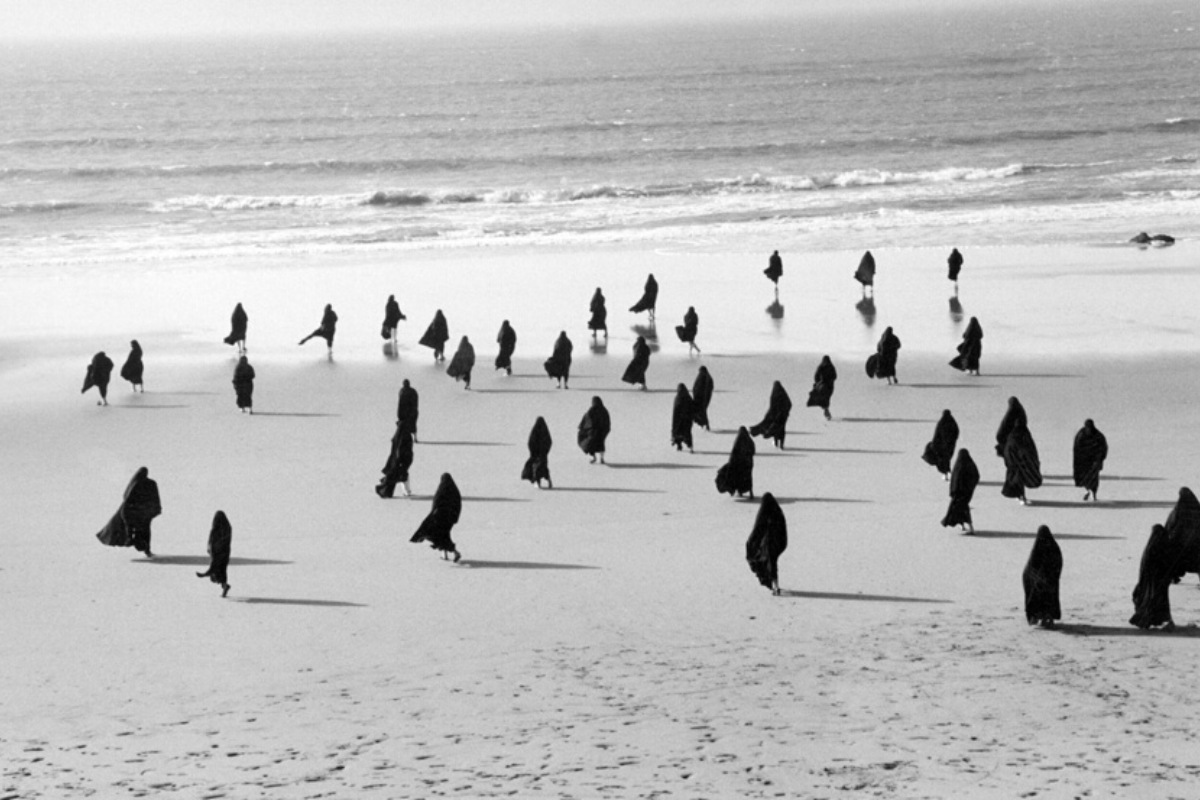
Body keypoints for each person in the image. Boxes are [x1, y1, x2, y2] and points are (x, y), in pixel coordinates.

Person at [96, 466, 161, 557]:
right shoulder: (151, 483)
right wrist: (155, 509)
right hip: (145, 513)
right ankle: (146, 549)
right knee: (145, 531)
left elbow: (126, 497)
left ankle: (133, 541)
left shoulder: (134, 484)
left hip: (133, 512)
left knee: (132, 529)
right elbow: (155, 498)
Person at [1130, 524, 1176, 630]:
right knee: (1158, 601)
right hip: (1157, 582)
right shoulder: (1160, 547)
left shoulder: (1150, 548)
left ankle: (1152, 620)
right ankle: (1160, 620)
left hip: (1150, 582)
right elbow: (1163, 563)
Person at [410, 473, 462, 562]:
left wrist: (433, 514)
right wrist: (454, 518)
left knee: (436, 535)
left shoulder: (441, 490)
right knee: (444, 535)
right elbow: (458, 505)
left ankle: (453, 552)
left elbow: (436, 503)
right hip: (449, 519)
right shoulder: (455, 492)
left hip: (439, 518)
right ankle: (446, 554)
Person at [746, 492, 787, 596]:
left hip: (770, 543)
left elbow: (758, 527)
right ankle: (776, 586)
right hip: (779, 544)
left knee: (770, 563)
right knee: (773, 563)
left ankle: (775, 587)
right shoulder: (778, 512)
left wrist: (752, 542)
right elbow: (783, 529)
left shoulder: (764, 512)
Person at [1022, 525, 1062, 628]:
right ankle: (1047, 618)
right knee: (1049, 598)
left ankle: (1041, 617)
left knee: (1040, 596)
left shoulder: (1038, 546)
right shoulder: (1054, 547)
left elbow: (1030, 567)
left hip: (1046, 579)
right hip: (1049, 580)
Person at [1001, 417, 1042, 505]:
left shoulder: (1012, 436)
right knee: (1019, 482)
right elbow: (1030, 448)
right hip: (1021, 464)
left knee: (1017, 483)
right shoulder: (1024, 434)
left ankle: (1020, 497)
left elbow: (1008, 451)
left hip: (1015, 464)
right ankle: (1021, 497)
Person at [1165, 487, 1200, 584]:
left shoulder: (1176, 511)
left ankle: (1174, 577)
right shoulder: (1197, 510)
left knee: (1176, 560)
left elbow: (1169, 525)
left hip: (1180, 543)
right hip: (1194, 543)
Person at [940, 448, 979, 534]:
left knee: (959, 510)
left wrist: (953, 492)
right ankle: (967, 527)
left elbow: (954, 481)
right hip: (967, 494)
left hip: (958, 494)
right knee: (963, 510)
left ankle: (966, 527)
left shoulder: (958, 466)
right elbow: (976, 476)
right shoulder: (971, 465)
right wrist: (971, 487)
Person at [195, 510, 232, 597]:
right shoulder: (227, 527)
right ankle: (224, 585)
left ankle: (211, 575)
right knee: (221, 569)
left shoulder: (216, 528)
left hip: (218, 552)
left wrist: (212, 548)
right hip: (225, 552)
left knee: (216, 567)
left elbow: (213, 540)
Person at [1073, 419, 1108, 501]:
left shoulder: (1099, 436)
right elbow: (1077, 448)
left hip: (1094, 461)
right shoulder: (1081, 434)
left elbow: (1103, 448)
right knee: (1085, 478)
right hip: (1084, 461)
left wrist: (1100, 459)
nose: (1089, 429)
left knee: (1094, 478)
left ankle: (1094, 494)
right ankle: (1088, 491)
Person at [750, 381, 792, 449]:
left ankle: (776, 444)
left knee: (776, 430)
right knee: (781, 430)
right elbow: (789, 404)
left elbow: (772, 406)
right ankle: (780, 445)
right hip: (782, 416)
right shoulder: (783, 395)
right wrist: (785, 412)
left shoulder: (774, 394)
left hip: (778, 416)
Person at [715, 426, 755, 499]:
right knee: (748, 478)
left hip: (739, 464)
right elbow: (753, 450)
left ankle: (740, 492)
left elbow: (734, 453)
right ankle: (750, 493)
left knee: (739, 478)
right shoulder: (749, 441)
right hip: (748, 464)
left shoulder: (738, 441)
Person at [376, 426, 414, 498]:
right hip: (401, 459)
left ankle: (406, 491)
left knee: (400, 474)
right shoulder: (404, 435)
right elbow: (401, 449)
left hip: (397, 459)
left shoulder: (400, 434)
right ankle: (407, 491)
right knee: (401, 474)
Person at [921, 409, 960, 479]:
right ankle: (947, 473)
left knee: (941, 460)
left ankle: (945, 473)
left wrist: (934, 443)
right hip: (949, 445)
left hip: (940, 445)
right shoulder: (953, 422)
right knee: (947, 459)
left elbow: (936, 434)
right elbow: (956, 432)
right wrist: (953, 440)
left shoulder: (941, 423)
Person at [521, 416, 553, 489]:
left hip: (536, 455)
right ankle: (548, 481)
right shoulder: (545, 432)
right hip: (542, 455)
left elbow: (530, 442)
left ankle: (537, 482)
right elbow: (549, 442)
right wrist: (545, 452)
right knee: (543, 468)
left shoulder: (534, 432)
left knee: (536, 469)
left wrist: (533, 451)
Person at [577, 396, 611, 464]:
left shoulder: (591, 410)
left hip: (593, 432)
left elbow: (586, 420)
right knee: (601, 444)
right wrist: (605, 430)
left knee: (591, 445)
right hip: (602, 432)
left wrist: (582, 428)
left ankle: (594, 457)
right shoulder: (604, 410)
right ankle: (601, 458)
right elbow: (607, 421)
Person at [806, 356, 837, 421]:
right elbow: (835, 376)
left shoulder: (821, 367)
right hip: (829, 387)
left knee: (823, 398)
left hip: (822, 386)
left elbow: (816, 377)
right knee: (826, 398)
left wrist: (818, 383)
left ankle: (826, 410)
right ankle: (826, 411)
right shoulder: (831, 367)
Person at [671, 383, 695, 452]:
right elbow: (692, 407)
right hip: (687, 420)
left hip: (679, 420)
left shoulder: (677, 398)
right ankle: (690, 447)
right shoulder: (688, 397)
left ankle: (679, 446)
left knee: (678, 433)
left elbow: (675, 411)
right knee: (687, 433)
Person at [691, 366, 714, 431]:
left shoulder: (703, 378)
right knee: (702, 412)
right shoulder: (708, 378)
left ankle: (705, 425)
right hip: (704, 399)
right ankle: (705, 425)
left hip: (701, 399)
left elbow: (696, 388)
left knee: (701, 412)